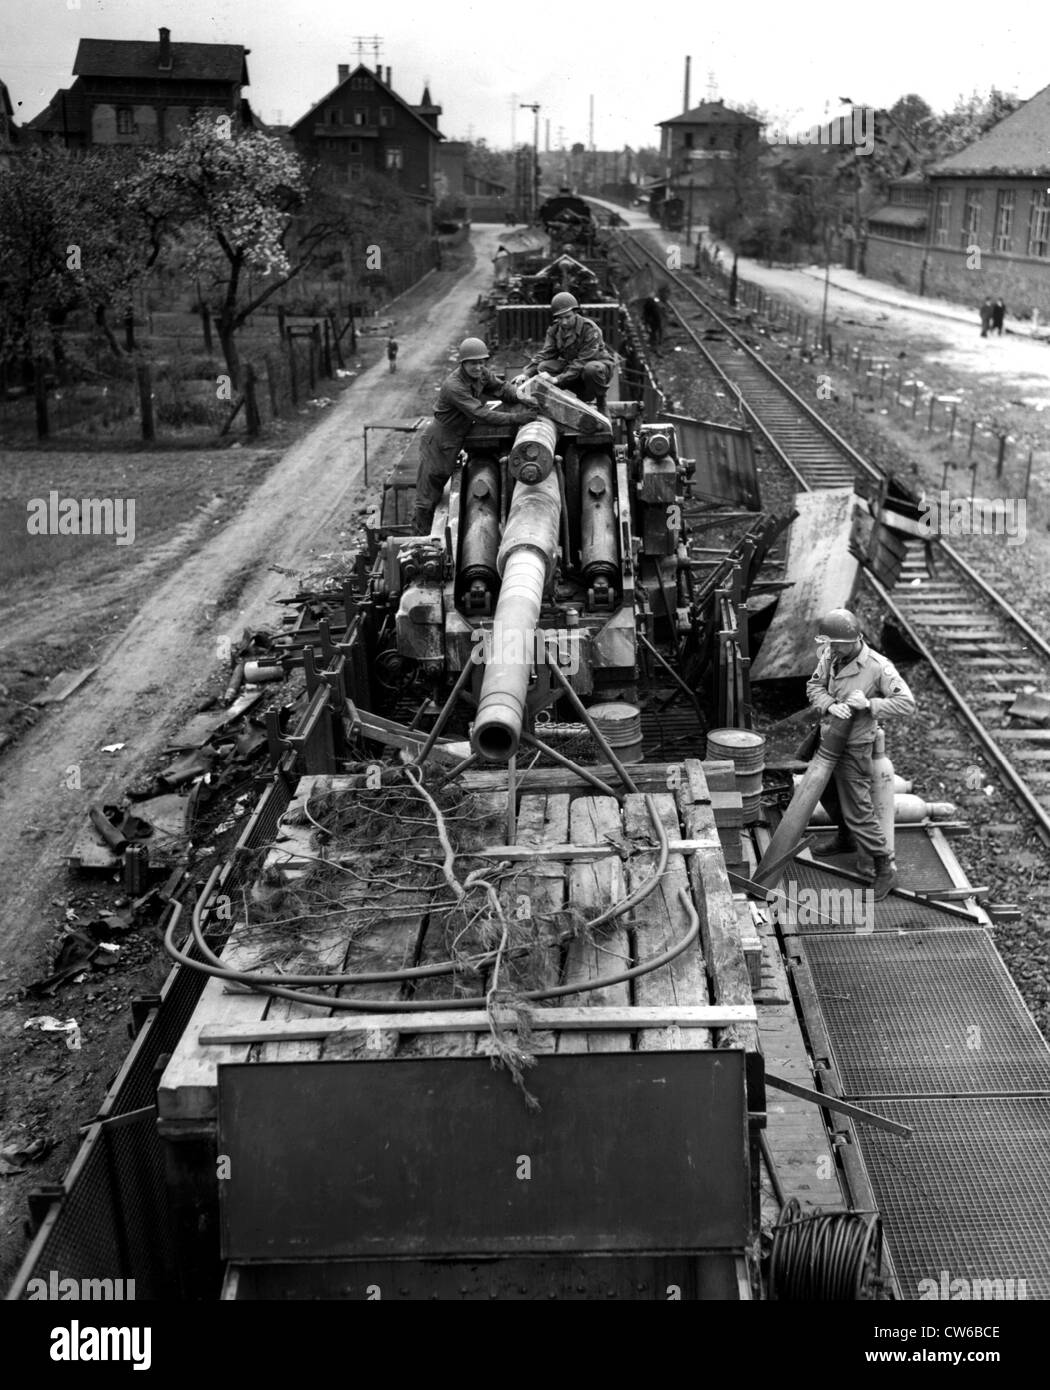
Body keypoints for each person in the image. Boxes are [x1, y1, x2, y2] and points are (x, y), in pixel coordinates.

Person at [805, 608, 917, 900]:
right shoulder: (831, 656)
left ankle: (884, 868)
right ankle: (846, 838)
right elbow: (814, 686)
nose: (831, 648)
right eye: (829, 643)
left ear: (854, 639)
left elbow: (907, 703)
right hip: (827, 739)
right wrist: (829, 704)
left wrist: (870, 705)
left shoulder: (878, 666)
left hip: (854, 747)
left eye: (837, 643)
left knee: (858, 810)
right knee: (825, 792)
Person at [409, 337, 534, 536]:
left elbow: (500, 388)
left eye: (481, 362)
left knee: (439, 489)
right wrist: (517, 418)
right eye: (473, 363)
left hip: (457, 436)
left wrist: (520, 396)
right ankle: (418, 541)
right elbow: (480, 414)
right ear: (463, 363)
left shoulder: (481, 374)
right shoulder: (454, 386)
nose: (478, 367)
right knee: (428, 497)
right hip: (439, 440)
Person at [512, 292, 616, 409]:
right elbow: (546, 353)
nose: (564, 322)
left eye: (567, 317)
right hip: (574, 368)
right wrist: (526, 374)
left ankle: (602, 403)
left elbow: (582, 361)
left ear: (576, 313)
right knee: (543, 367)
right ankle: (558, 401)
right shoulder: (555, 329)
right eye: (560, 318)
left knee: (590, 369)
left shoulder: (590, 329)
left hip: (596, 369)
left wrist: (557, 379)